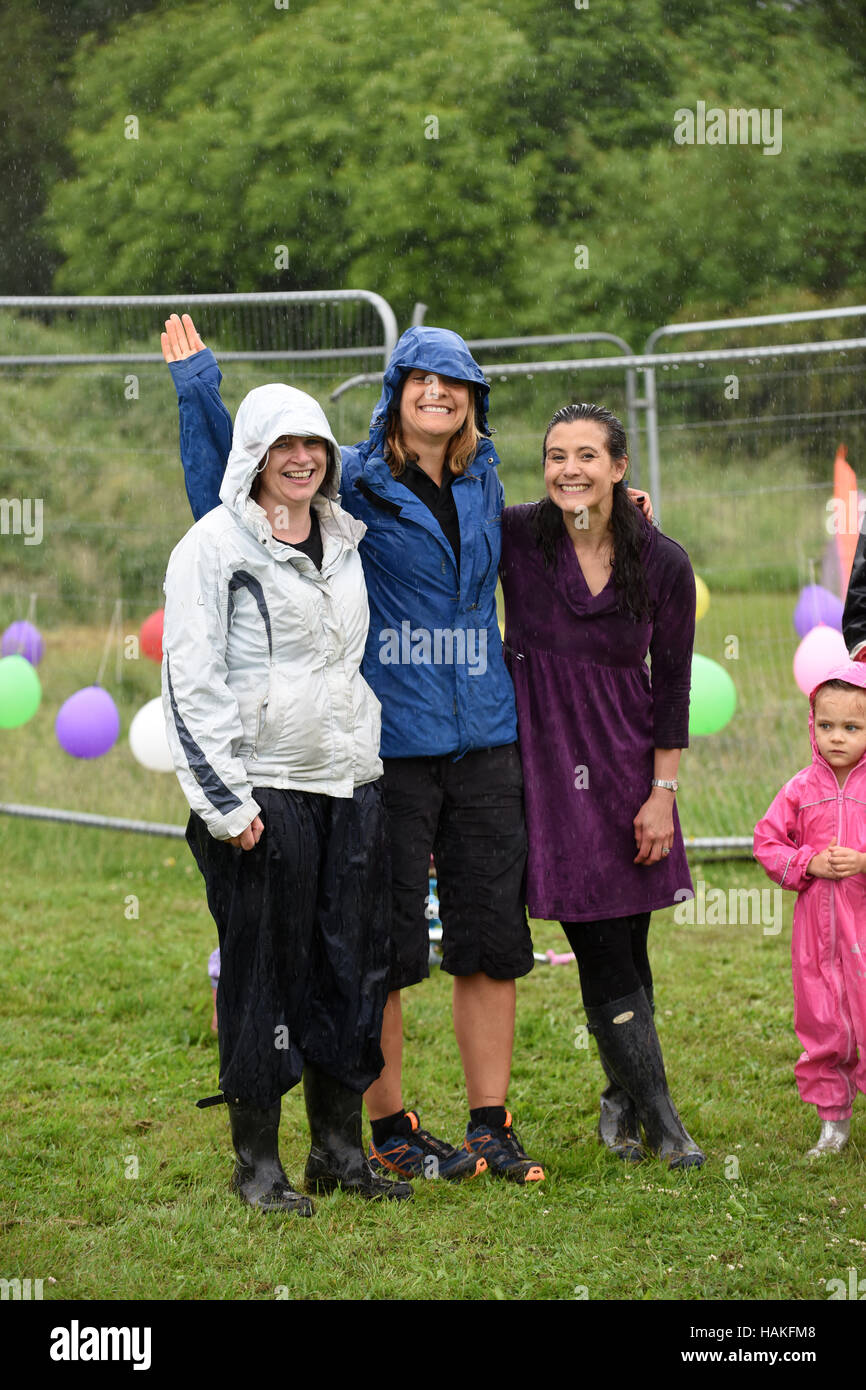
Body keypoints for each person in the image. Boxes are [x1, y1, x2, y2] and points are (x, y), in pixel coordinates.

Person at [161, 314, 544, 1183]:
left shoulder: (476, 484)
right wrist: (198, 397)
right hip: (383, 749)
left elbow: (545, 537)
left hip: (466, 738)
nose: (438, 394)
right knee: (382, 950)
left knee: (476, 937)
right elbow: (232, 491)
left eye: (455, 382)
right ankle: (383, 1130)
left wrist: (607, 513)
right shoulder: (354, 488)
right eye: (421, 379)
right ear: (396, 393)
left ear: (473, 400)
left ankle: (482, 1126)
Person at [161, 378, 412, 1213]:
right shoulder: (212, 546)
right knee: (264, 978)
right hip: (265, 795)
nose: (301, 459)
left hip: (351, 783)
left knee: (352, 969)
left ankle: (339, 1155)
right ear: (255, 457)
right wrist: (228, 808)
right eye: (283, 446)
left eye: (313, 445)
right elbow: (188, 682)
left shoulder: (345, 536)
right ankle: (257, 1167)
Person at [499, 403, 705, 1170]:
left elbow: (675, 685)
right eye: (556, 456)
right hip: (547, 766)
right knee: (600, 945)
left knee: (627, 933)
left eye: (588, 456)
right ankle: (663, 1122)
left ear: (621, 468)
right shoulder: (518, 536)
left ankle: (620, 1101)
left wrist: (663, 792)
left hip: (628, 767)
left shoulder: (663, 562)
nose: (569, 470)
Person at [754, 665, 866, 1157]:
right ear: (811, 725)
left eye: (852, 727)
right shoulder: (799, 789)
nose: (836, 737)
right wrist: (809, 862)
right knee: (823, 1019)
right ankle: (834, 1124)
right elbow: (767, 843)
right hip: (816, 936)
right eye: (826, 726)